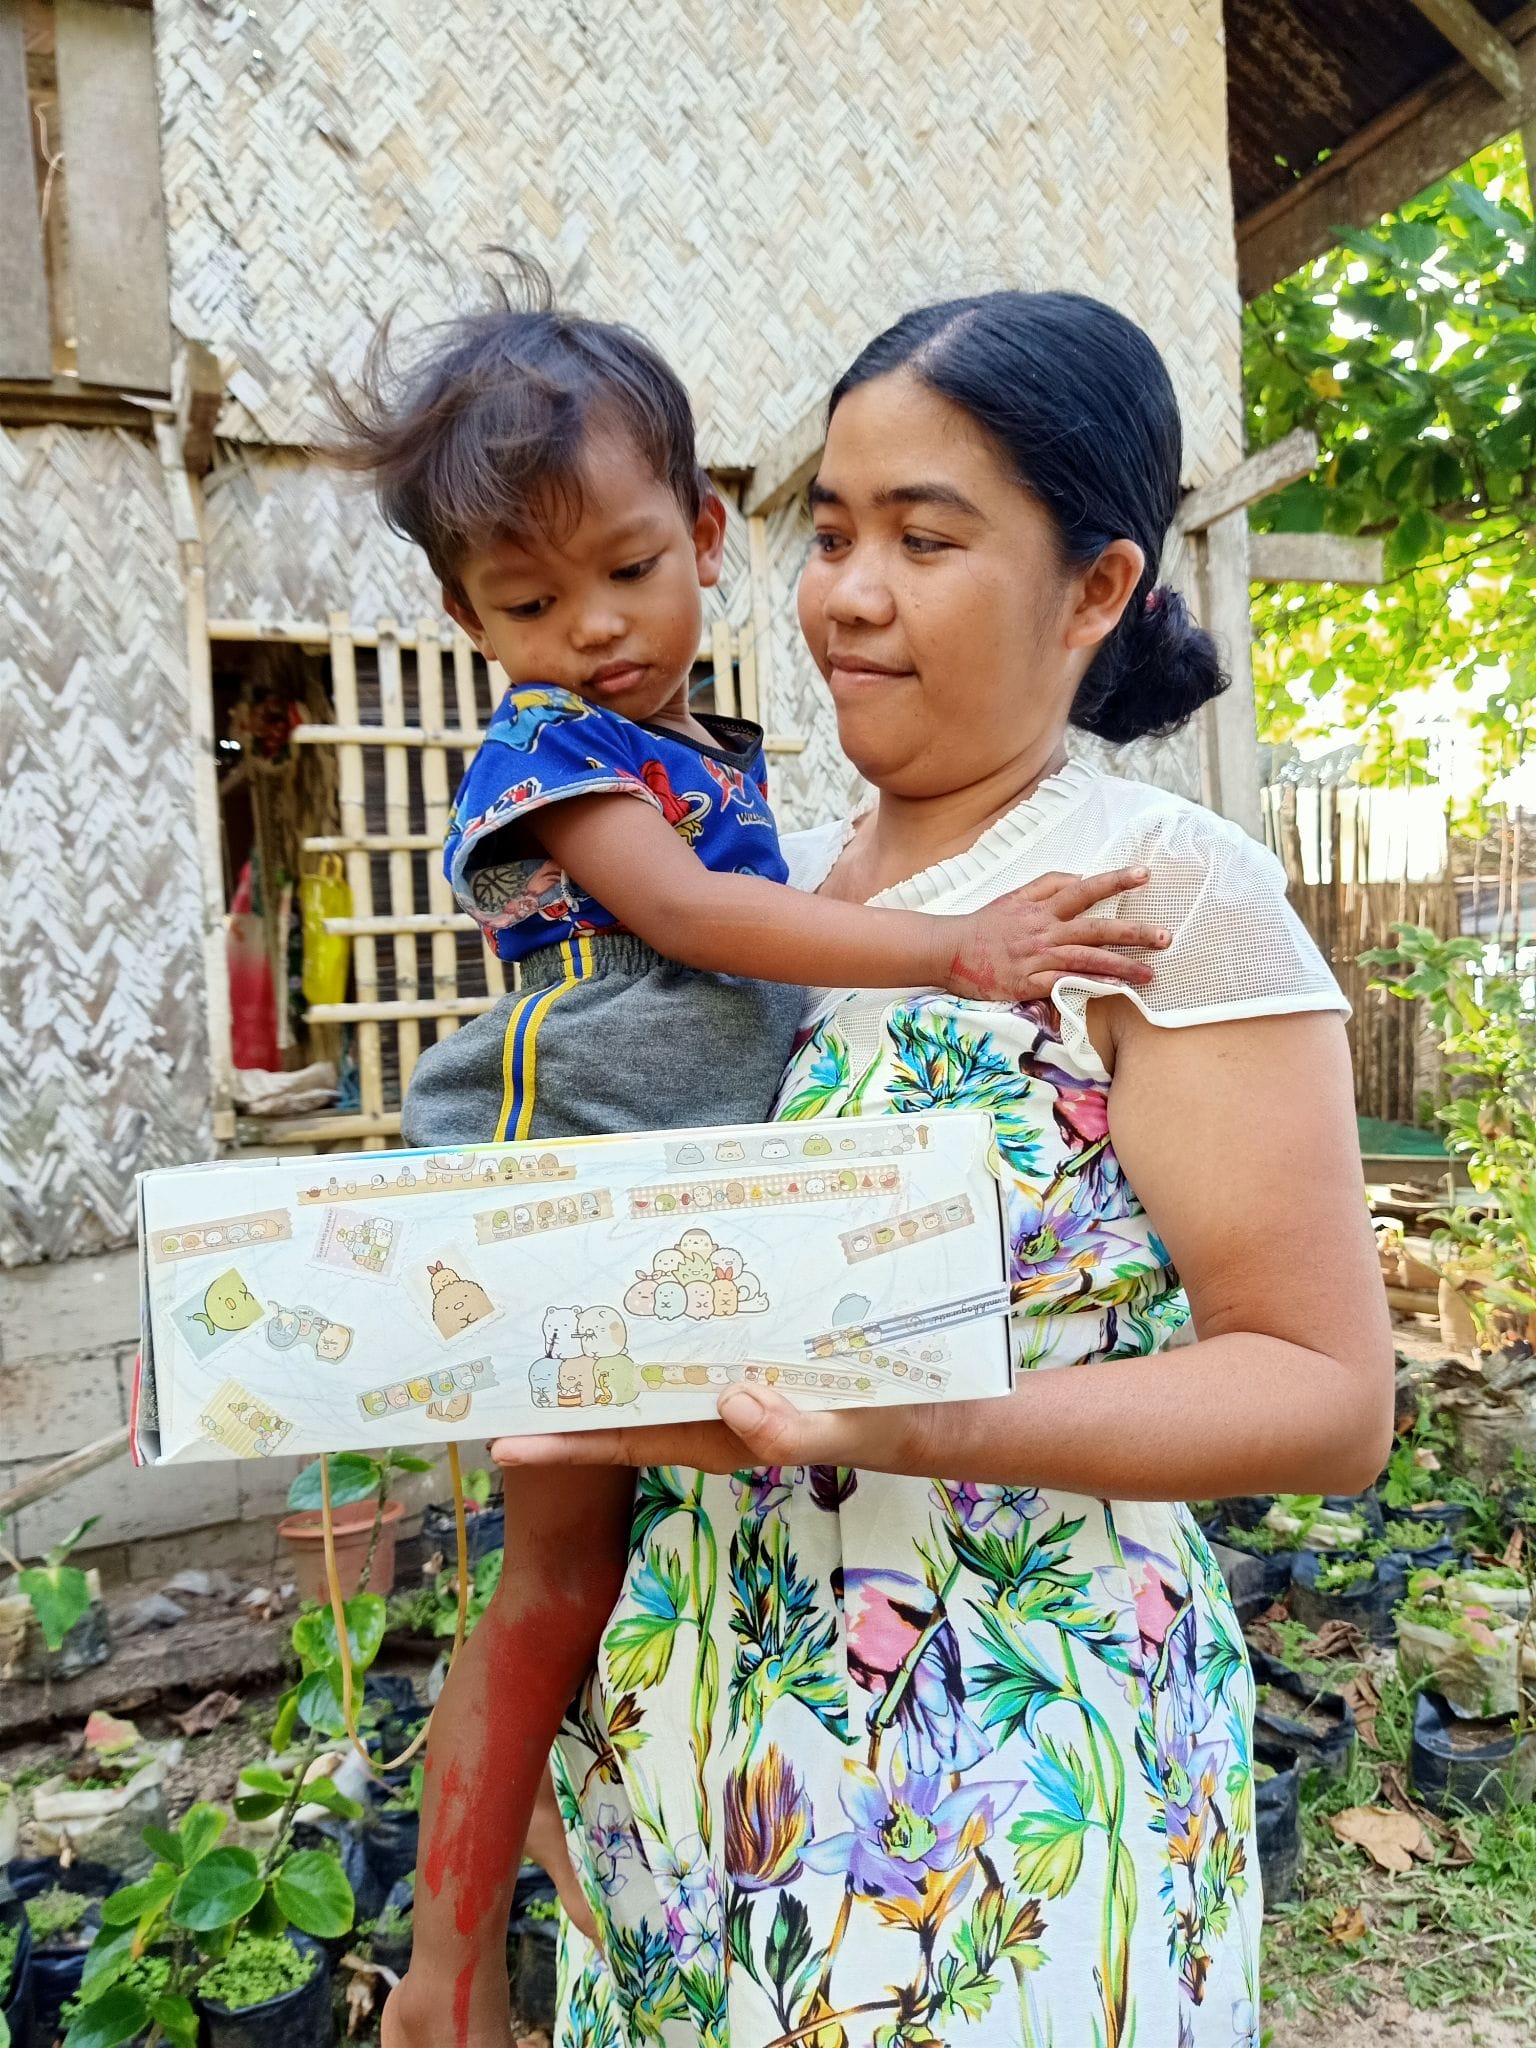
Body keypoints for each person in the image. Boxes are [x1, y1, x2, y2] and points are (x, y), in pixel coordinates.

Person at [385, 290, 1393, 2048]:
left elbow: (1324, 1397)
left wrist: (897, 1419)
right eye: (832, 530)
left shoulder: (1149, 894)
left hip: (999, 1833)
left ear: (1098, 590)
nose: (847, 591)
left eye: (926, 538)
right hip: (695, 1823)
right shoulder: (762, 912)